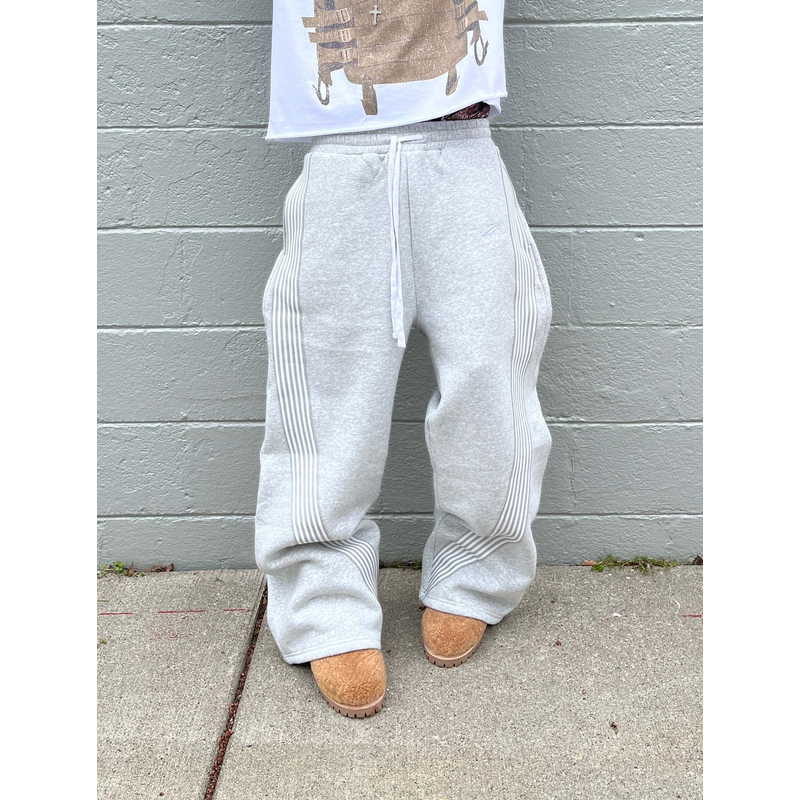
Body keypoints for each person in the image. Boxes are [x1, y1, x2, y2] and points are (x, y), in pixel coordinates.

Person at [256, 0, 553, 718]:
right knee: (324, 392)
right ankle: (324, 601)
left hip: (464, 146)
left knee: (491, 374)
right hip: (340, 151)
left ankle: (477, 567)